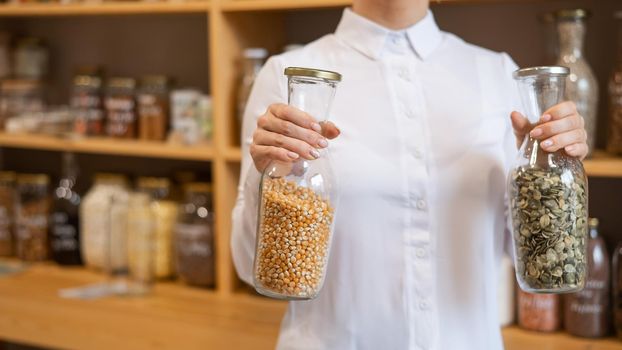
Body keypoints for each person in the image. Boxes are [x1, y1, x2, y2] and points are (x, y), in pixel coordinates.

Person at [231, 0, 589, 349]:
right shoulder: (291, 76)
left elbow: (540, 260)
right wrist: (267, 174)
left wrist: (553, 173)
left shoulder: (497, 73)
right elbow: (252, 267)